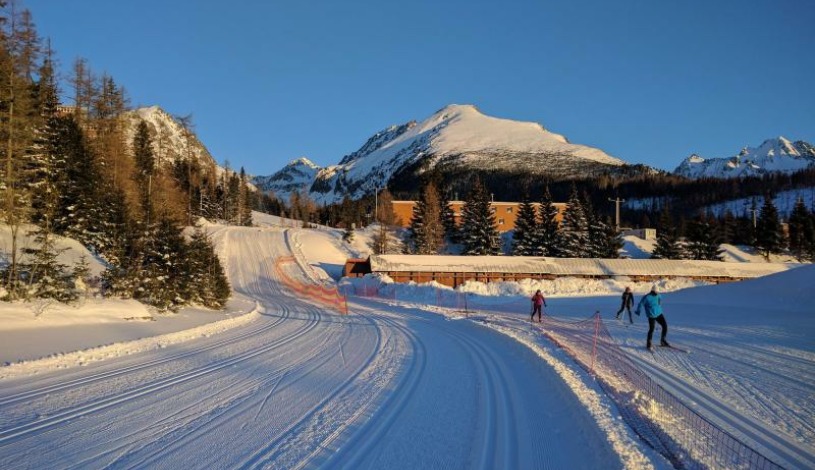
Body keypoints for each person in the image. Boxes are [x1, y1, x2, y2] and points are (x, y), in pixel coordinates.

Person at [636, 285, 669, 350]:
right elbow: (640, 304)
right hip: (651, 315)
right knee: (652, 329)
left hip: (659, 313)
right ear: (652, 291)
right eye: (656, 292)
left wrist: (658, 304)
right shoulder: (646, 297)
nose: (657, 293)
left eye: (657, 292)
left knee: (665, 326)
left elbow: (660, 299)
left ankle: (663, 341)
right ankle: (649, 343)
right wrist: (638, 311)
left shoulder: (658, 295)